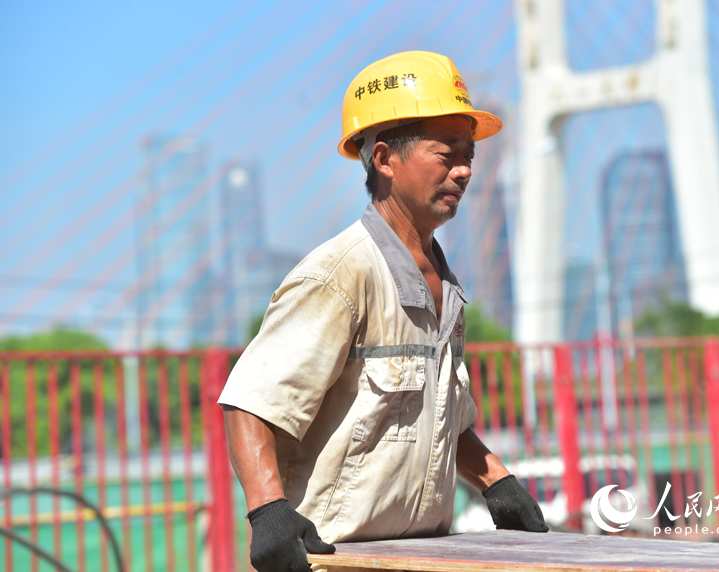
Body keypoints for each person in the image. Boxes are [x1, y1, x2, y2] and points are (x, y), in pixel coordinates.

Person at [218, 51, 548, 572]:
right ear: (385, 159)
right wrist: (269, 513)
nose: (464, 170)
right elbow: (250, 403)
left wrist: (497, 483)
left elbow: (439, 420)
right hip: (336, 559)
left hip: (424, 557)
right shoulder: (338, 275)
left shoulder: (445, 284)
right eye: (446, 153)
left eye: (470, 154)